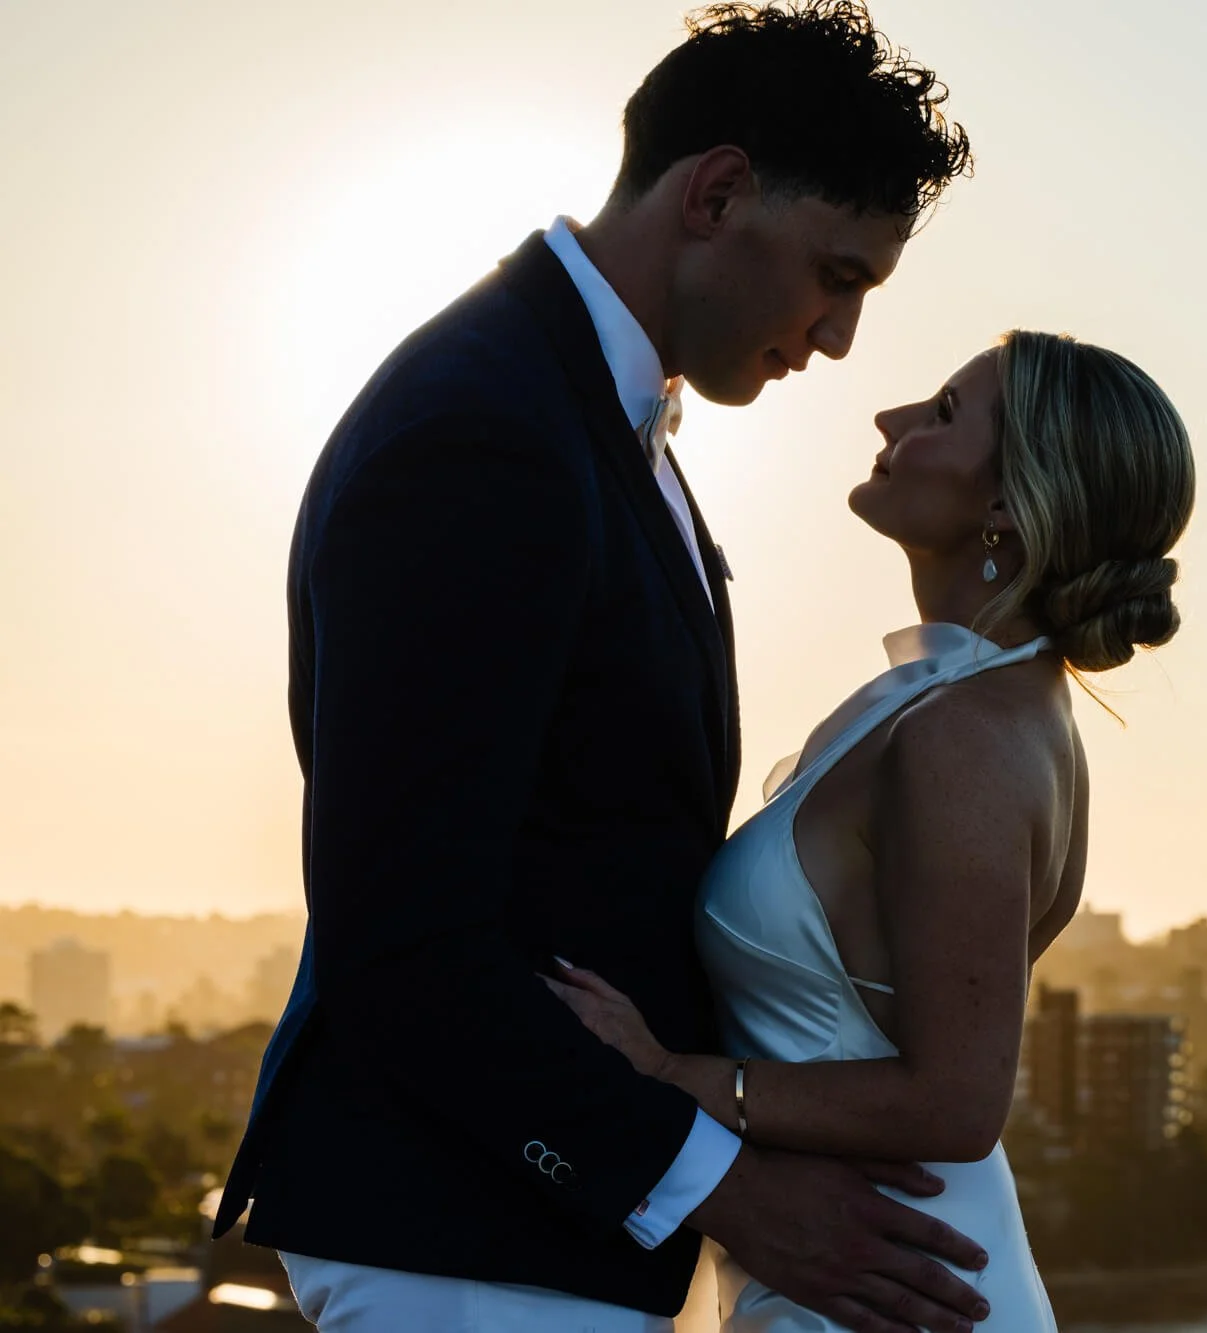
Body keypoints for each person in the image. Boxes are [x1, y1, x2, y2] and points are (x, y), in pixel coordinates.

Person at [212, 5, 984, 1330]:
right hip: (460, 1245)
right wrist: (721, 1183)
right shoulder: (486, 426)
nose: (843, 337)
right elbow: (402, 935)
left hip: (532, 1240)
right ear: (719, 193)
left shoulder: (599, 422)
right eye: (836, 272)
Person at [548, 329, 1198, 1332]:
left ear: (1004, 504)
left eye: (941, 413)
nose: (890, 421)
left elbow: (953, 1100)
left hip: (896, 1288)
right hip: (861, 1268)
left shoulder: (966, 736)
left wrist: (667, 1076)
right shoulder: (958, 704)